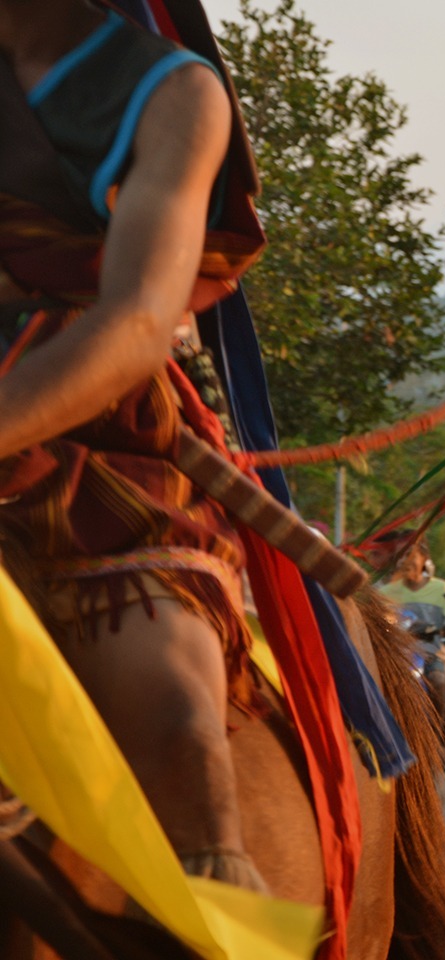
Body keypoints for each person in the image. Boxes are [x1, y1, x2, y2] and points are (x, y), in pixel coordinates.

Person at [0, 0, 268, 890]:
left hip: (99, 447)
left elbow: (137, 321)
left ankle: (220, 906)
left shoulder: (174, 92)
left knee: (175, 714)